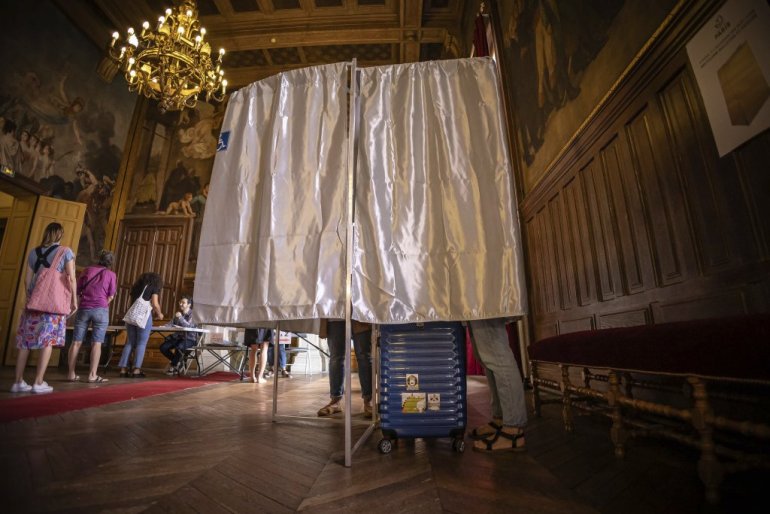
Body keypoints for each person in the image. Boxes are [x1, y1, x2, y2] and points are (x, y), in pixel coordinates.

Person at [11, 222, 77, 394]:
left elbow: (27, 280)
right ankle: (38, 382)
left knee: (25, 341)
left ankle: (18, 382)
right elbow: (71, 278)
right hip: (52, 305)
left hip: (33, 303)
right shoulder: (65, 252)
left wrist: (32, 298)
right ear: (60, 234)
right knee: (47, 341)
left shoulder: (34, 252)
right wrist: (74, 300)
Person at [467, 318, 527, 452]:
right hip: (474, 305)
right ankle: (500, 418)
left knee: (497, 355)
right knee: (485, 356)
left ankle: (513, 429)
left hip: (484, 305)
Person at [67, 250, 117, 383]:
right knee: (97, 343)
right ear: (111, 262)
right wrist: (102, 304)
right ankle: (92, 375)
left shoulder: (87, 270)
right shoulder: (111, 274)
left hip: (84, 308)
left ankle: (71, 374)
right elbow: (111, 296)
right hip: (101, 309)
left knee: (76, 342)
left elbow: (77, 290)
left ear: (99, 259)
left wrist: (78, 304)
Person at [316, 320, 372, 417]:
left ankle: (368, 401)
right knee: (336, 358)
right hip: (336, 316)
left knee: (364, 357)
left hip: (359, 314)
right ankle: (335, 401)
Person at [118, 272, 164, 378]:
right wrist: (160, 314)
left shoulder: (135, 287)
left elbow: (128, 304)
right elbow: (155, 304)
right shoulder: (153, 287)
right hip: (143, 317)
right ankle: (136, 370)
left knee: (130, 342)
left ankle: (123, 369)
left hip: (131, 316)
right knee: (141, 343)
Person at [159, 295, 197, 375]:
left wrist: (180, 318)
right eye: (180, 302)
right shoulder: (178, 314)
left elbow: (189, 327)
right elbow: (171, 323)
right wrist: (164, 326)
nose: (180, 304)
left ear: (189, 304)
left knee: (179, 347)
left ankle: (173, 365)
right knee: (163, 347)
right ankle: (178, 362)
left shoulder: (193, 315)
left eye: (183, 302)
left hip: (190, 339)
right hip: (178, 338)